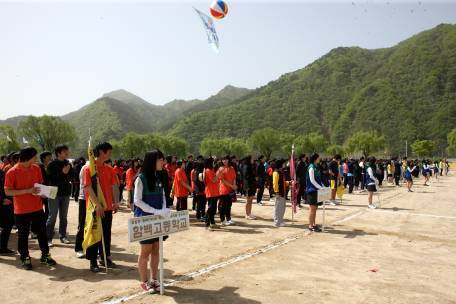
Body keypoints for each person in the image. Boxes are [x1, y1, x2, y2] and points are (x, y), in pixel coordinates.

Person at [4, 146, 56, 270]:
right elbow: (8, 192)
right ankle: (25, 258)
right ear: (27, 157)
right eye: (34, 156)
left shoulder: (36, 168)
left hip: (37, 207)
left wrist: (43, 192)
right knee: (23, 235)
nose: (36, 158)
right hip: (21, 209)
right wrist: (27, 190)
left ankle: (45, 255)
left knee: (42, 233)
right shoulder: (12, 171)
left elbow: (39, 185)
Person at [133, 150, 172, 292]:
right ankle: (144, 281)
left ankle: (154, 279)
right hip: (145, 220)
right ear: (152, 161)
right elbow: (137, 201)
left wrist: (163, 208)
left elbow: (162, 195)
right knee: (145, 251)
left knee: (156, 249)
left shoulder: (158, 176)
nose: (163, 162)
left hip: (158, 219)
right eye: (160, 160)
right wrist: (156, 211)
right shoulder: (140, 178)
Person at [83, 141, 118, 272]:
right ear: (101, 152)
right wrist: (97, 204)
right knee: (95, 233)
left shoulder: (110, 169)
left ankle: (105, 257)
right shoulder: (90, 169)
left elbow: (111, 186)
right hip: (95, 208)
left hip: (107, 206)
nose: (111, 153)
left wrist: (114, 202)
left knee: (106, 233)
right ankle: (92, 260)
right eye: (109, 150)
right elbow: (88, 187)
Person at [46, 144, 75, 246]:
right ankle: (48, 239)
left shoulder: (68, 164)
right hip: (54, 193)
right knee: (52, 217)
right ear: (58, 153)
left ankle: (63, 236)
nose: (66, 152)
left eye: (67, 150)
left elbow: (72, 178)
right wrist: (62, 173)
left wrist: (66, 173)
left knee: (63, 217)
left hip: (66, 193)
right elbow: (50, 178)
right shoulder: (51, 164)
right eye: (64, 151)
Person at [30, 151, 52, 239]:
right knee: (36, 212)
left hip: (48, 191)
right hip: (39, 191)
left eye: (51, 156)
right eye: (48, 156)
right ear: (43, 158)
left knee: (48, 211)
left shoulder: (51, 166)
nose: (50, 158)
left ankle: (46, 229)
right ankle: (34, 231)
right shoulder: (38, 167)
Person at [306, 153, 328, 232]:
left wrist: (323, 187)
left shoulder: (316, 167)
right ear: (315, 159)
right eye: (318, 158)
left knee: (315, 208)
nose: (319, 159)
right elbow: (312, 180)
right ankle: (311, 226)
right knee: (312, 208)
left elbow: (318, 180)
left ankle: (314, 224)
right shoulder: (311, 167)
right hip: (312, 190)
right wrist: (320, 187)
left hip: (317, 190)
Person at [204, 157, 225, 230]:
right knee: (210, 208)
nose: (214, 162)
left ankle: (212, 222)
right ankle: (207, 224)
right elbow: (213, 180)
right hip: (211, 192)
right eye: (212, 161)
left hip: (214, 192)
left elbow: (215, 178)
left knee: (214, 208)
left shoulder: (212, 170)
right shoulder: (208, 170)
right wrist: (220, 173)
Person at [217, 154, 237, 226]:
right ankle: (222, 219)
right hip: (224, 190)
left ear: (229, 160)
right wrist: (232, 185)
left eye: (225, 159)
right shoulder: (221, 168)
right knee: (222, 206)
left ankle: (228, 218)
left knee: (229, 205)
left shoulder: (232, 168)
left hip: (230, 190)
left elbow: (234, 177)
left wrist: (234, 186)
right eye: (223, 159)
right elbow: (222, 180)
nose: (224, 161)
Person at [75, 160, 88, 258]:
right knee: (82, 223)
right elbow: (86, 185)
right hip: (85, 198)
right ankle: (79, 247)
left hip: (97, 199)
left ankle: (91, 247)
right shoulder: (86, 167)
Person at [0, 167, 15, 254]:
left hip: (4, 205)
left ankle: (3, 247)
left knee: (8, 225)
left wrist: (7, 199)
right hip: (2, 202)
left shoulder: (1, 173)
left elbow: (6, 188)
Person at [273, 159, 290, 227]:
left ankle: (280, 220)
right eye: (283, 163)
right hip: (278, 193)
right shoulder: (276, 172)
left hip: (282, 192)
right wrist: (277, 192)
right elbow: (275, 183)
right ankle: (277, 222)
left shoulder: (281, 172)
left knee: (282, 208)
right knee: (278, 208)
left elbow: (282, 182)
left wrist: (289, 182)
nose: (284, 164)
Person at [242, 155, 258, 220]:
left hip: (251, 185)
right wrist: (254, 178)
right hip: (248, 186)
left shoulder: (250, 166)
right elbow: (246, 176)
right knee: (248, 201)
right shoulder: (246, 167)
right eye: (251, 159)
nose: (253, 160)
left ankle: (249, 213)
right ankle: (247, 214)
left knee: (251, 200)